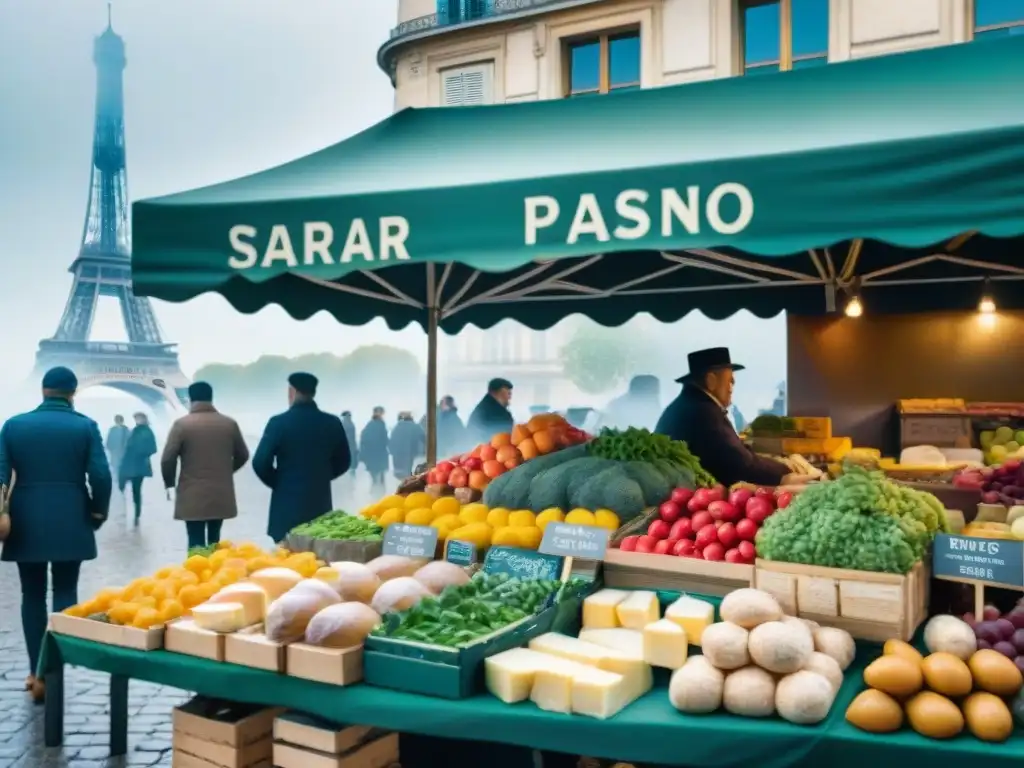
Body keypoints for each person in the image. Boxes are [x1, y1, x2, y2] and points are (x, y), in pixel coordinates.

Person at [0, 366, 111, 702]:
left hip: (25, 517)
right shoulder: (85, 426)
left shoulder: (13, 426)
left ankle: (36, 671)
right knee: (65, 588)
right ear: (72, 392)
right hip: (70, 514)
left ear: (43, 390)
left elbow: (1, 474)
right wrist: (96, 511)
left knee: (31, 595)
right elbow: (101, 476)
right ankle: (56, 669)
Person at [655, 348, 810, 488]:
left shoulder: (689, 404)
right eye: (730, 380)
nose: (733, 385)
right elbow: (741, 464)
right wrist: (785, 472)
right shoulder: (703, 412)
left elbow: (736, 455)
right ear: (711, 381)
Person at [253, 373, 350, 544]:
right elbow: (344, 461)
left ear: (292, 391)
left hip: (286, 507)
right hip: (320, 504)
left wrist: (279, 482)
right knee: (319, 561)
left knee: (286, 561)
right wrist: (322, 476)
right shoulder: (332, 422)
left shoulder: (278, 423)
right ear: (313, 393)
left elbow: (260, 462)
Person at [161, 381, 250, 551]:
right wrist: (226, 471)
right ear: (211, 397)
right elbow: (243, 455)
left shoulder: (182, 425)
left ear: (190, 398)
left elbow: (167, 459)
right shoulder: (229, 424)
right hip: (220, 491)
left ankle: (196, 573)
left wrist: (170, 484)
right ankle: (216, 572)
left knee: (195, 540)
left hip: (191, 492)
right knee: (215, 539)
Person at [118, 412, 158, 525]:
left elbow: (152, 448)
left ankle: (136, 515)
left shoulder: (146, 432)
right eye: (136, 418)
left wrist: (141, 452)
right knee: (124, 488)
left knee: (135, 491)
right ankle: (125, 512)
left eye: (138, 418)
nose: (137, 420)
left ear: (144, 419)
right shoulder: (136, 430)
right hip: (131, 465)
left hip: (137, 466)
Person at [466, 378, 514, 445]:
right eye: (507, 393)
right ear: (495, 393)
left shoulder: (484, 408)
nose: (509, 397)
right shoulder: (493, 413)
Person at [359, 407, 390, 490]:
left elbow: (363, 441)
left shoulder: (369, 426)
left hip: (372, 457)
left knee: (375, 479)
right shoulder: (380, 425)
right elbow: (385, 441)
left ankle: (375, 495)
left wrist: (363, 457)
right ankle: (378, 496)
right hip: (378, 456)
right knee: (379, 480)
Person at [390, 412, 425, 480]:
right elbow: (424, 439)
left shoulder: (396, 428)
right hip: (411, 455)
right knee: (409, 475)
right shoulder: (416, 427)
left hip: (398, 456)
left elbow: (391, 443)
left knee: (401, 475)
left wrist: (392, 452)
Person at [105, 414, 129, 486]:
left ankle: (121, 478)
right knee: (115, 465)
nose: (118, 422)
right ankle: (117, 478)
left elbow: (129, 440)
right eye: (117, 420)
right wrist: (110, 448)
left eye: (119, 420)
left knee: (121, 465)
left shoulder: (126, 430)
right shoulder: (112, 429)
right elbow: (109, 440)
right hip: (115, 451)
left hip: (123, 451)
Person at [341, 411, 359, 475]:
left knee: (352, 465)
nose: (349, 416)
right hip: (346, 447)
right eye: (348, 415)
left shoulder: (350, 424)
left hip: (351, 446)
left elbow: (353, 438)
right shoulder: (344, 424)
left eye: (349, 415)